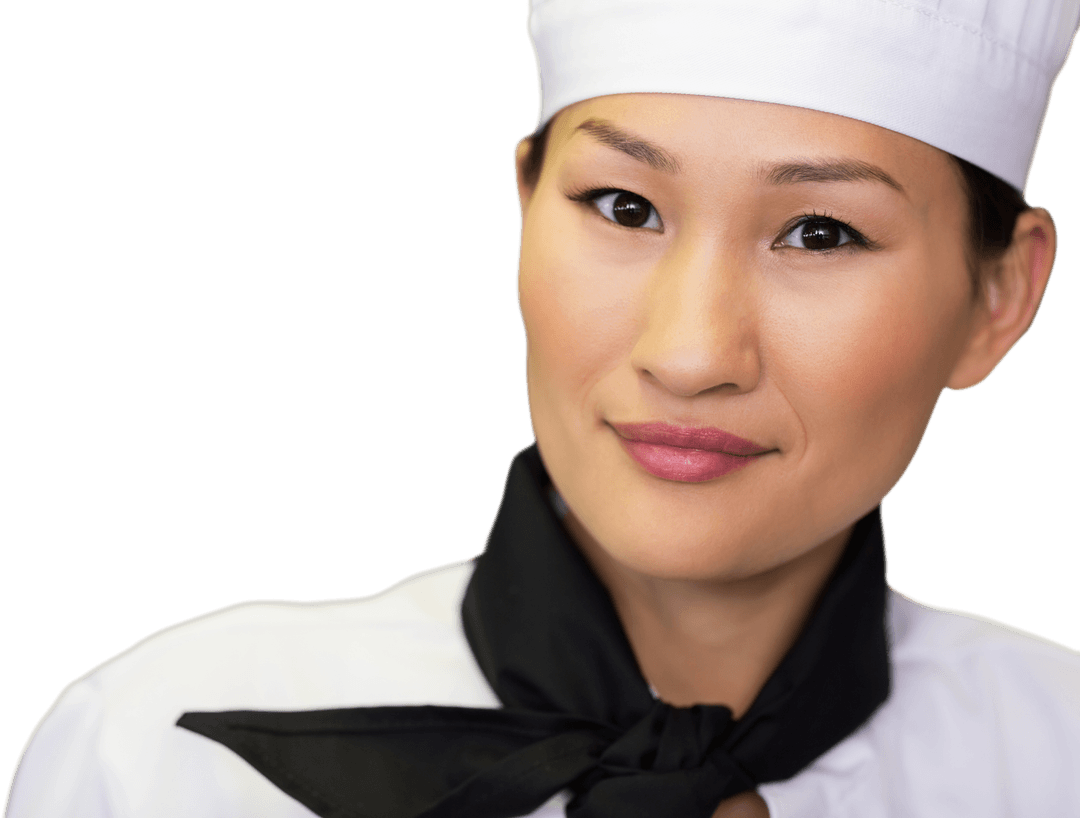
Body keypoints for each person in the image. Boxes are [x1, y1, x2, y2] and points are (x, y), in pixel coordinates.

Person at [6, 1, 1080, 816]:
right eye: (625, 206)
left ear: (1000, 295)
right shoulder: (159, 757)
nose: (690, 353)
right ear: (524, 208)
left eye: (820, 233)